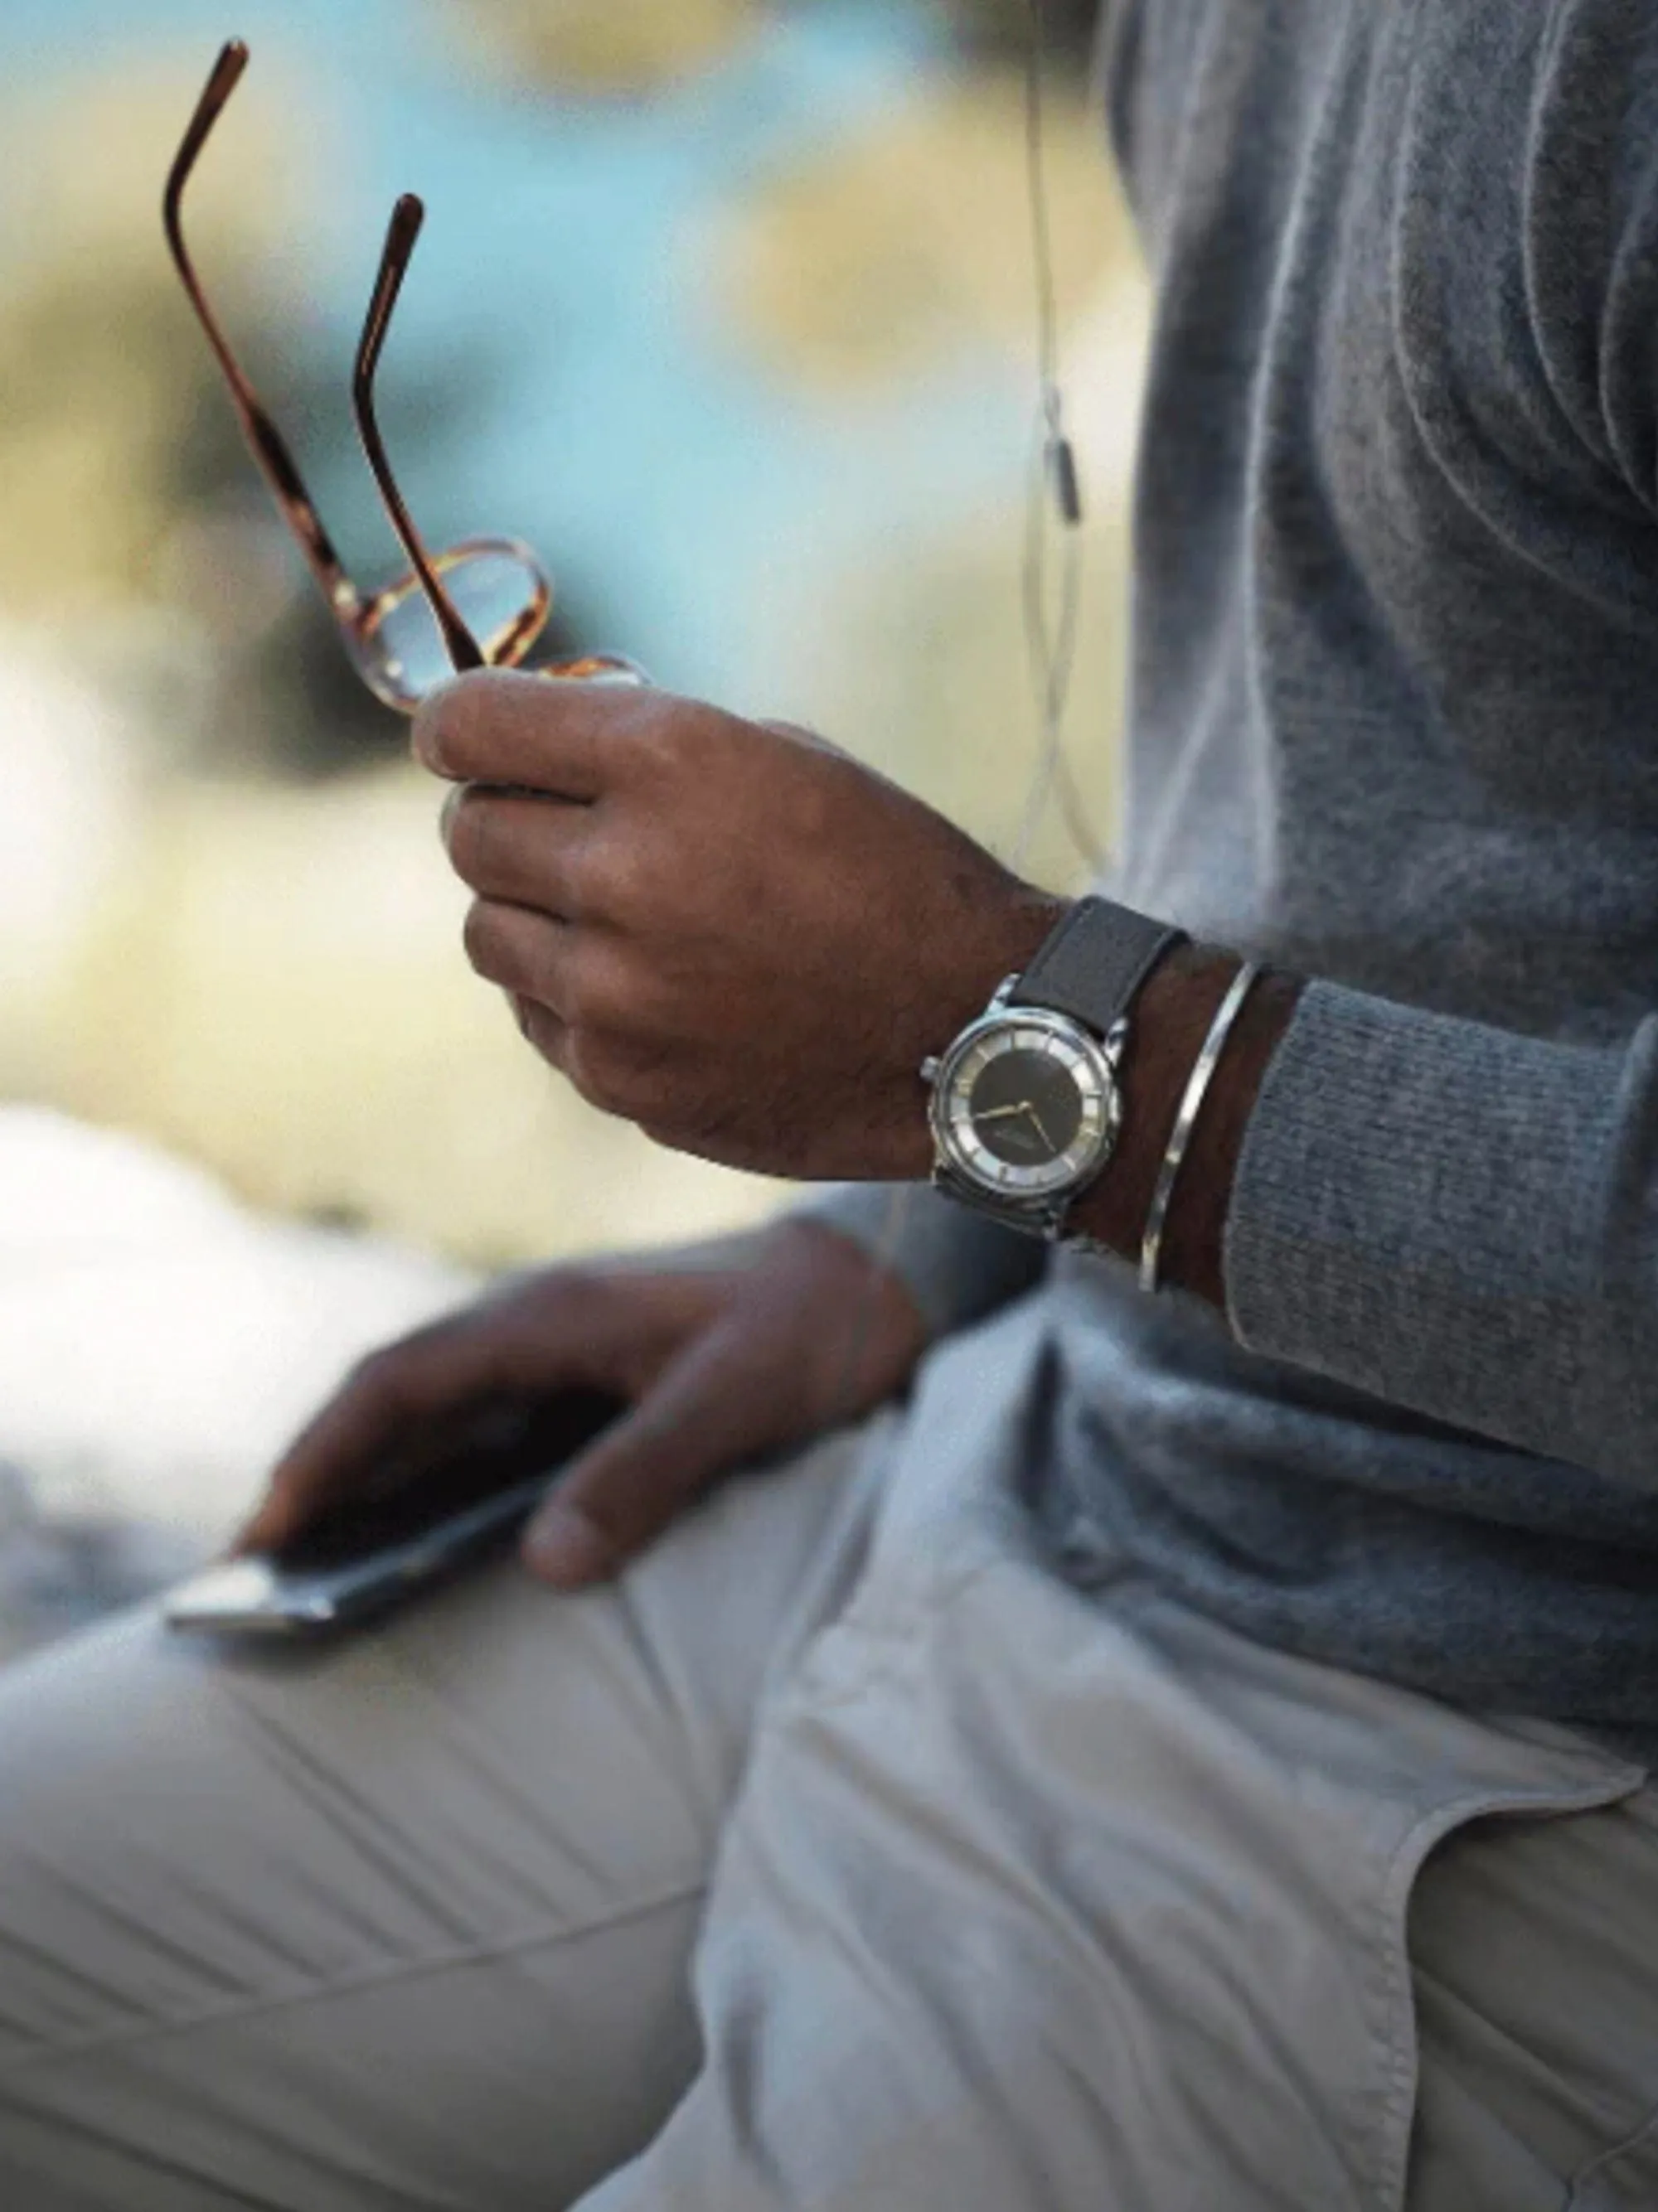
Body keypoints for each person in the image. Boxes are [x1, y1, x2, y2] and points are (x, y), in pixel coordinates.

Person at [6, 1, 1658, 2204]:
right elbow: (1381, 836)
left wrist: (1005, 1040)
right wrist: (920, 1236)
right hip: (1056, 1451)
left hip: (1491, 1738)